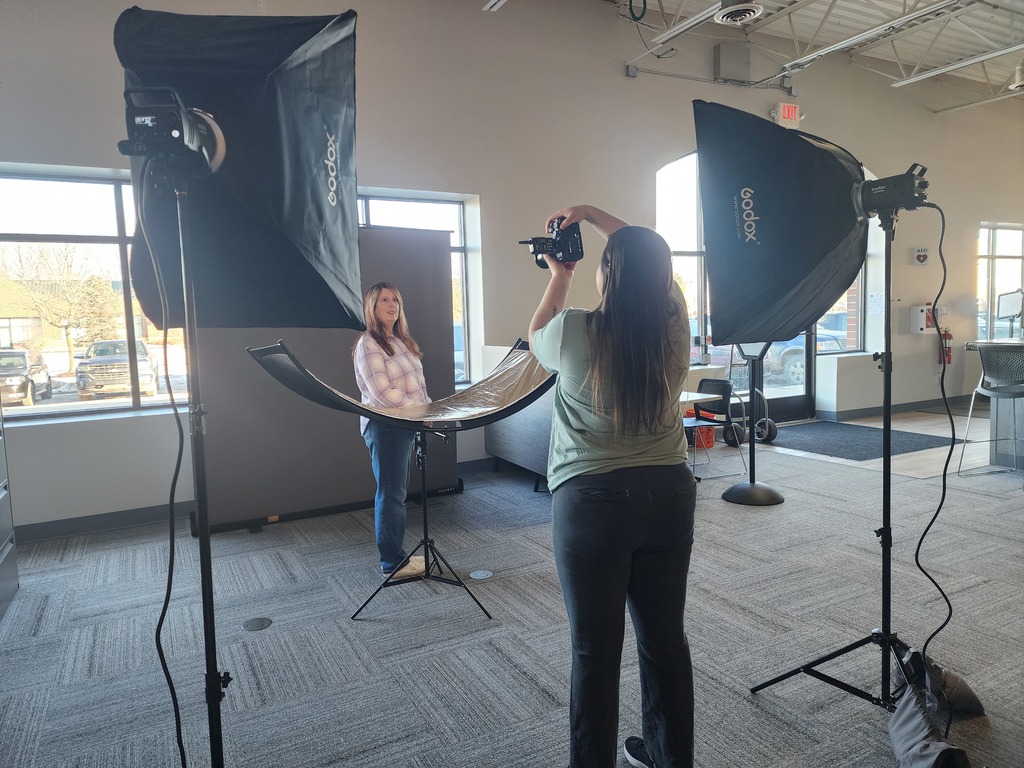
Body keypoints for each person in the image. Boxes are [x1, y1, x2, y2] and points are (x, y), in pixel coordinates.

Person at [528, 205, 697, 768]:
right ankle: (669, 758)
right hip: (669, 495)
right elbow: (647, 251)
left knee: (595, 652)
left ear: (607, 274)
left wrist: (560, 275)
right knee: (665, 640)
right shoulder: (674, 326)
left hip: (593, 503)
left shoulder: (575, 330)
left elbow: (534, 335)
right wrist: (592, 213)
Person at [353, 282, 431, 579]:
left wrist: (429, 409)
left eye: (395, 300)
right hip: (385, 426)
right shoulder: (368, 344)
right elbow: (382, 393)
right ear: (372, 307)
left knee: (396, 492)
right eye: (384, 300)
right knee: (391, 494)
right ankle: (392, 563)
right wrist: (421, 410)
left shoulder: (400, 341)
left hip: (405, 424)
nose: (392, 305)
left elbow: (417, 386)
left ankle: (396, 555)